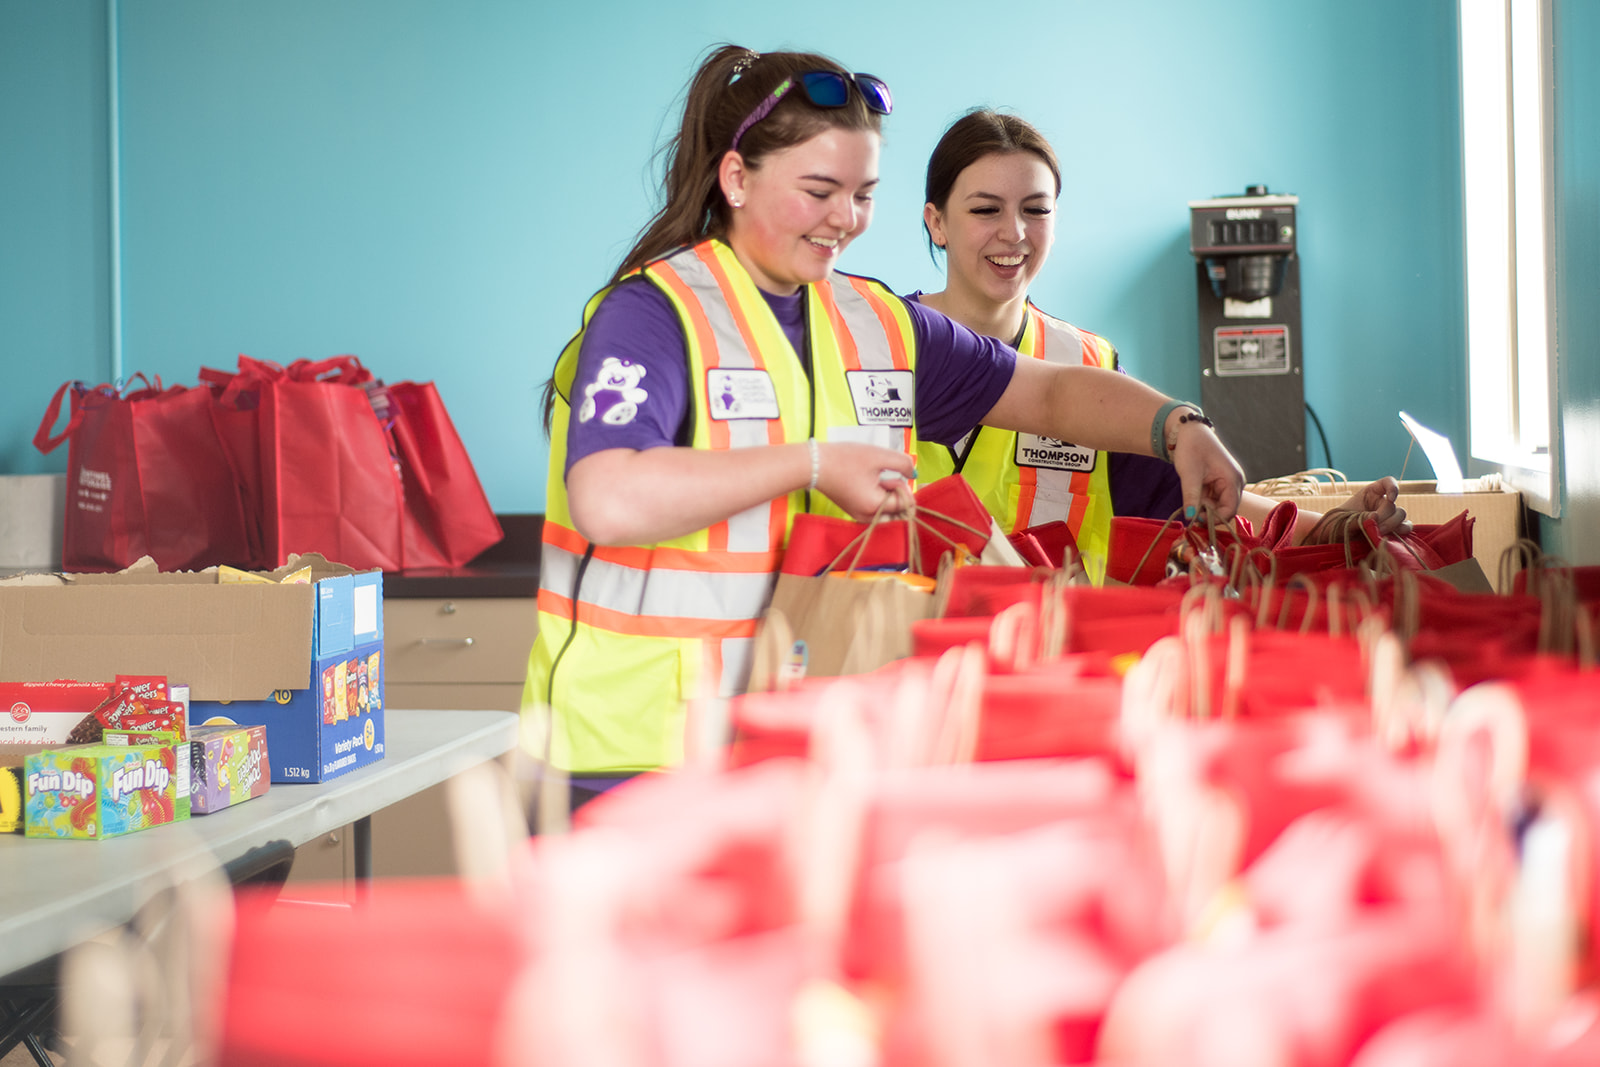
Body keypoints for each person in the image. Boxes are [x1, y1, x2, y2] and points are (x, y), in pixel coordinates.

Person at [521, 48, 1246, 790]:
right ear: (737, 178)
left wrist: (1180, 428)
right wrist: (815, 463)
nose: (846, 220)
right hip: (632, 750)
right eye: (819, 190)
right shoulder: (653, 315)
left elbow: (1053, 393)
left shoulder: (877, 323)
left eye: (864, 194)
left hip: (802, 740)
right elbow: (608, 495)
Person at [914, 108, 1410, 582]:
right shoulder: (883, 342)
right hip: (892, 646)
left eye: (1036, 210)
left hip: (1044, 651)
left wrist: (1321, 527)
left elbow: (1195, 494)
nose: (1015, 232)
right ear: (937, 222)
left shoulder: (1087, 364)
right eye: (985, 209)